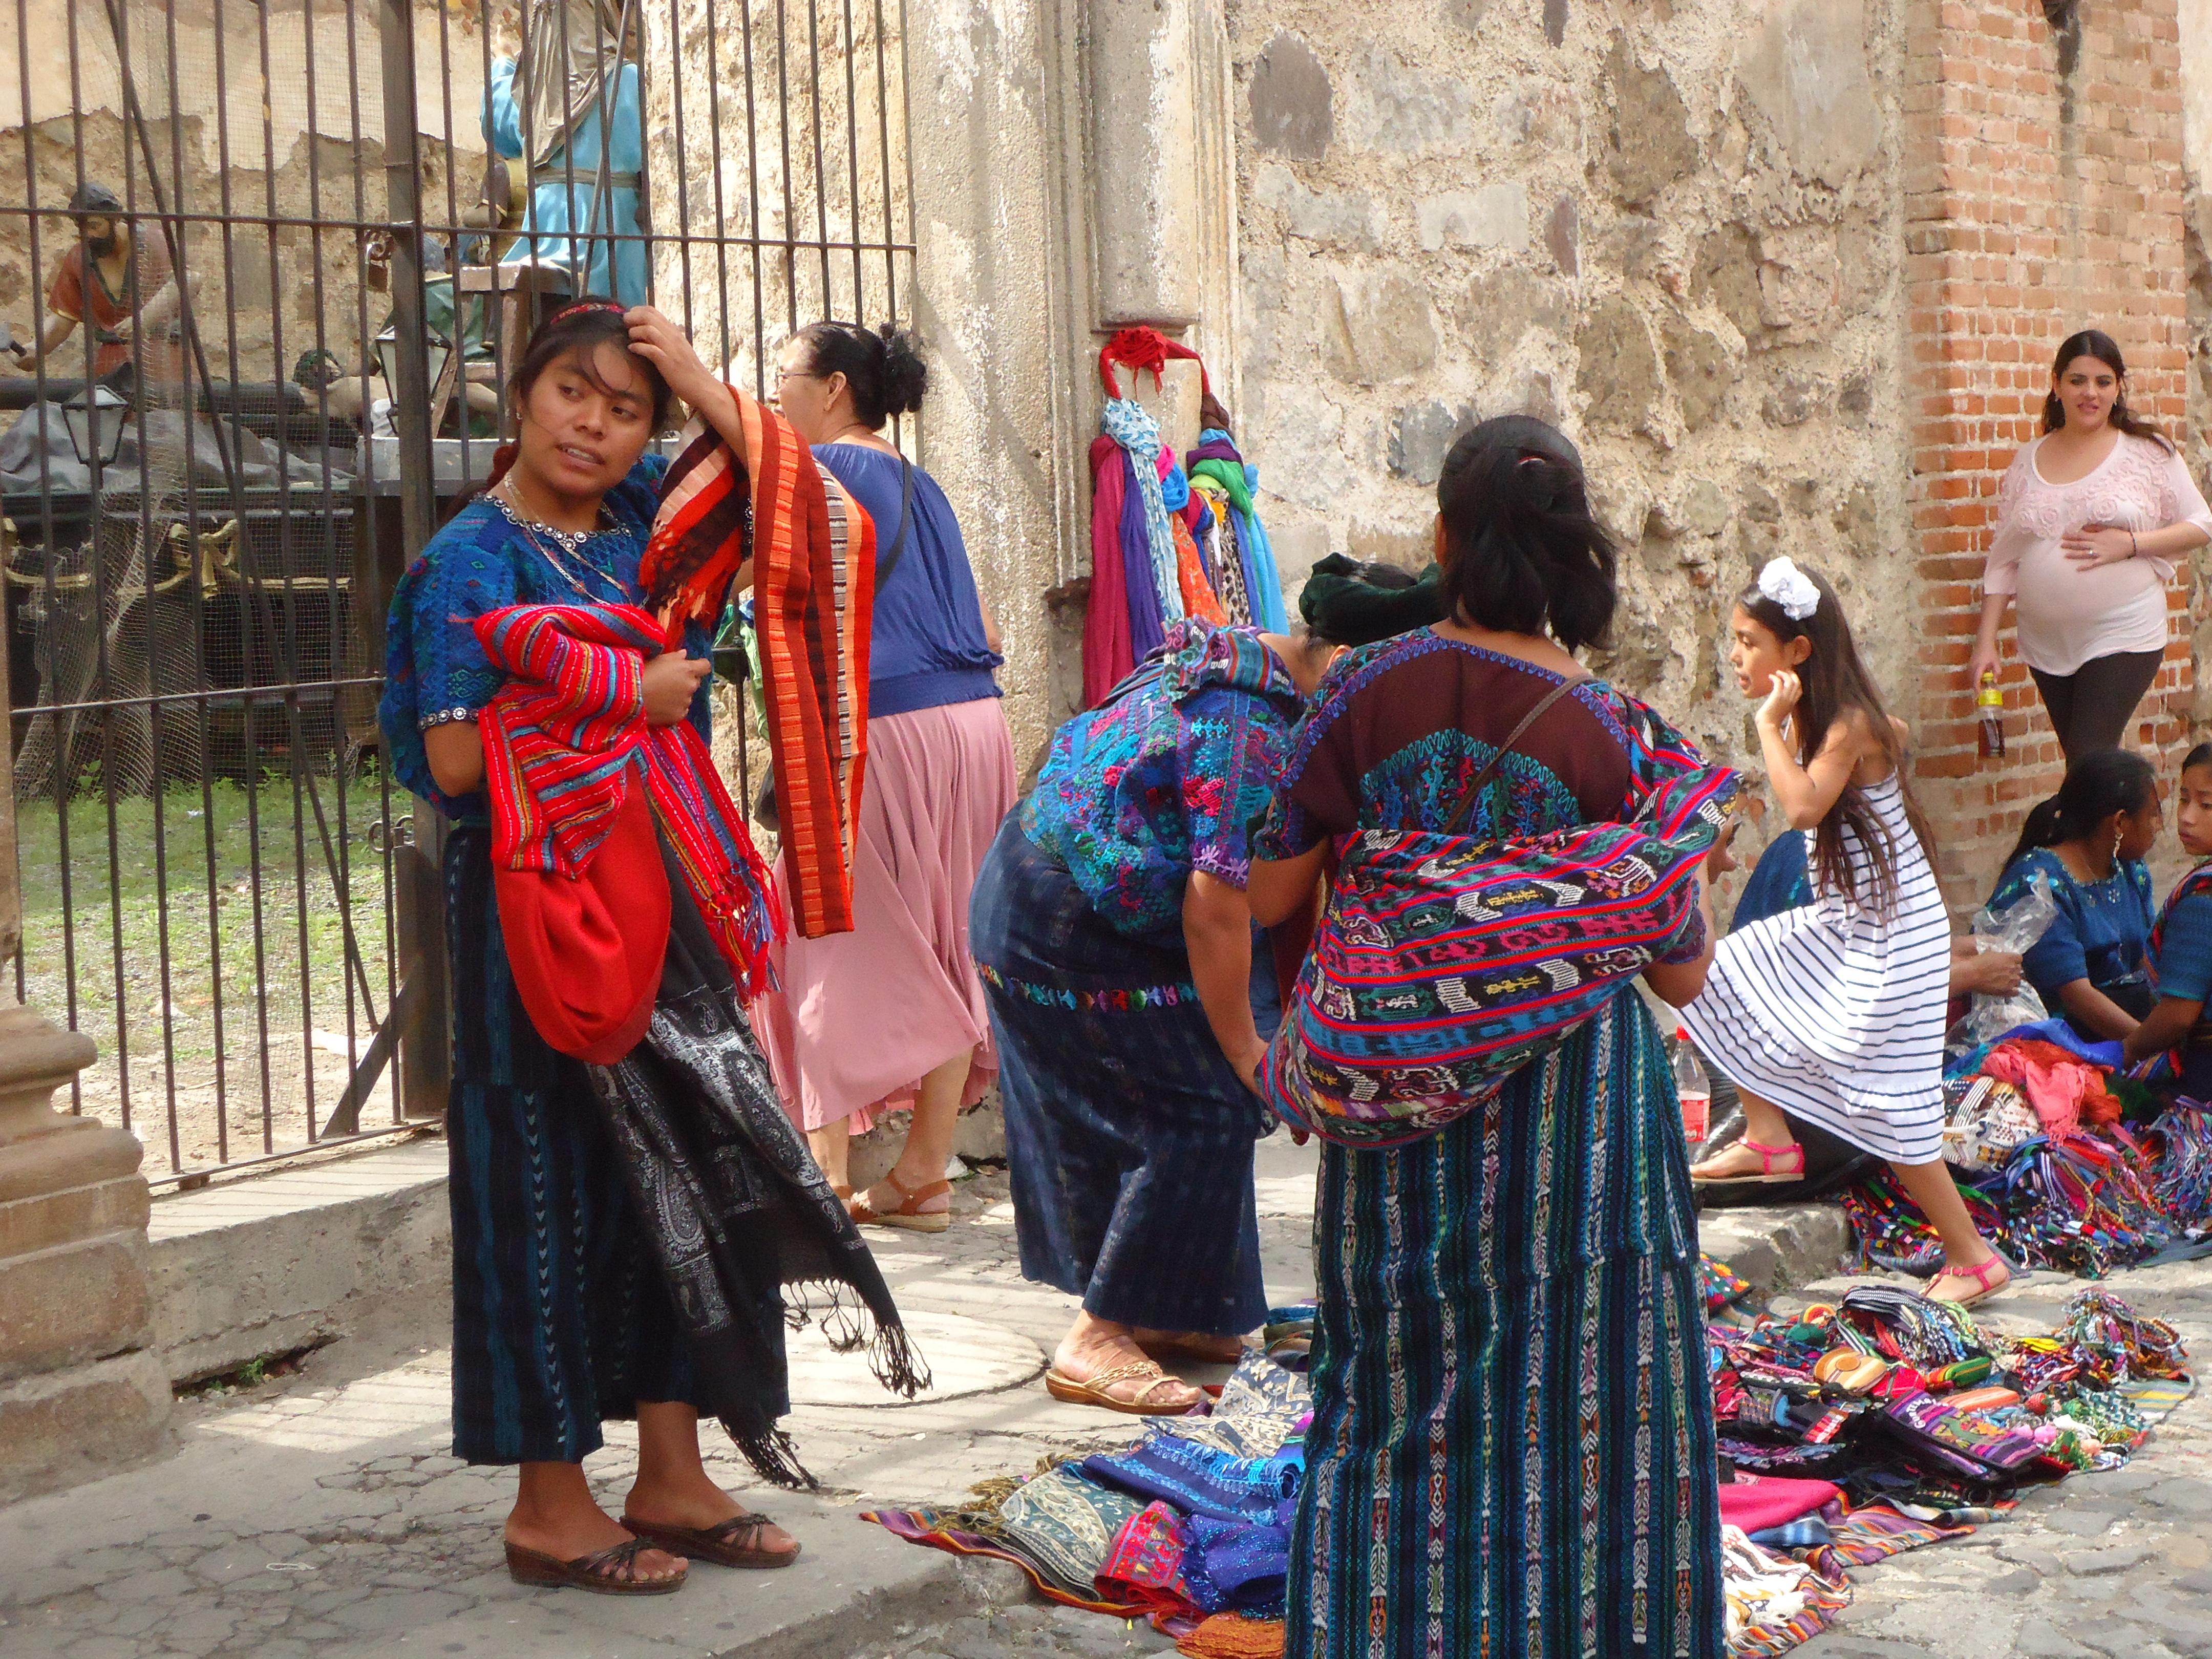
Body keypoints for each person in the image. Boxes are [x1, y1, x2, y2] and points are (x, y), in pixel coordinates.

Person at [377, 299, 890, 1594]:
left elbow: (812, 512)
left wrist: (697, 374)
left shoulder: (644, 532)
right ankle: (551, 1501)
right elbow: (451, 759)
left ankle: (673, 1467)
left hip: (668, 918)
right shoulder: (468, 563)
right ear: (522, 394)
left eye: (624, 407)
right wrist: (625, 693)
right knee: (543, 1196)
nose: (594, 424)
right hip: (534, 932)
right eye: (572, 393)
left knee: (685, 1182)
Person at [1247, 416, 1725, 1659]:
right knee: (1593, 1411)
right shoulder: (1614, 733)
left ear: (1445, 539)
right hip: (1581, 1120)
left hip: (1398, 1112)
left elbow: (1269, 895)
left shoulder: (1358, 688)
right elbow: (1681, 966)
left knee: (1388, 1396)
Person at [972, 618, 1344, 1413]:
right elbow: (1217, 912)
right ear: (1344, 661)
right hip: (1061, 918)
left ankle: (1182, 1312)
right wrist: (1250, 1052)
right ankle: (1099, 1336)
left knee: (1209, 1085)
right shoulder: (1249, 729)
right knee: (1209, 1100)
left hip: (1047, 885)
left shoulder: (1237, 657)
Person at [1684, 557, 2013, 1307]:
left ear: (1798, 652)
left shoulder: (1842, 722)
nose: (1735, 657)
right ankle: (1768, 1136)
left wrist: (1768, 725)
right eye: (1733, 642)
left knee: (1886, 1102)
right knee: (1713, 970)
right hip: (1849, 922)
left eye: (1748, 642)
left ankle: (1974, 1256)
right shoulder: (1837, 718)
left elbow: (1801, 808)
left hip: (1894, 939)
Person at [749, 320, 1016, 1231]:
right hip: (974, 722)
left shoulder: (830, 475)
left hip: (893, 725)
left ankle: (823, 1182)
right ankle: (923, 1175)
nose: (774, 393)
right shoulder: (921, 482)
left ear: (831, 389)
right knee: (942, 942)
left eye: (783, 376)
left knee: (823, 929)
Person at [1693, 825, 2027, 1208]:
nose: (1733, 862)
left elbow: (1867, 954)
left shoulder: (1857, 848)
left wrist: (1950, 952)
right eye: (1725, 842)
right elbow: (1834, 990)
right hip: (1800, 1068)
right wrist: (1968, 975)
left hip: (1802, 1070)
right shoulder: (1821, 858)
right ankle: (1970, 1254)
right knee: (1894, 1120)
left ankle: (1970, 1254)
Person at [1969, 329, 2212, 759]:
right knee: (2088, 768)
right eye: (2078, 381)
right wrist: (1986, 642)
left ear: (2118, 388)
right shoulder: (2029, 458)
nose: (2090, 393)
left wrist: (2133, 544)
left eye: (2103, 382)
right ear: (2057, 385)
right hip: (2046, 643)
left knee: (2087, 760)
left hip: (2122, 630)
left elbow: (2200, 525)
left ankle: (2112, 822)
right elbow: (2004, 560)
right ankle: (2131, 819)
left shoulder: (2147, 451)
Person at [1985, 748, 2161, 1043]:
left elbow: (2148, 961)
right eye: (2153, 815)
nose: (2158, 827)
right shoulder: (2040, 883)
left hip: (2122, 1025)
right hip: (2060, 1039)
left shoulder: (2131, 871)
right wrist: (2149, 1047)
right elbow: (2077, 997)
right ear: (2119, 823)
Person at [486, 0, 648, 305]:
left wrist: (504, 62)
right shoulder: (631, 81)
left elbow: (497, 128)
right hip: (614, 238)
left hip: (544, 237)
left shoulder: (534, 94)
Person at [24, 182, 185, 380]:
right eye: (81, 228)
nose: (88, 235)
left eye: (94, 226)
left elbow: (187, 279)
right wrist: (36, 347)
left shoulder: (152, 241)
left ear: (114, 219)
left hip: (161, 355)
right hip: (111, 363)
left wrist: (144, 318)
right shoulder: (79, 258)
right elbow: (64, 317)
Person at [2124, 744, 2212, 1096]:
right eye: (2184, 799)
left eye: (2207, 805)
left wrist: (2129, 1049)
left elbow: (2179, 1013)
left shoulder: (2202, 899)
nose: (2187, 817)